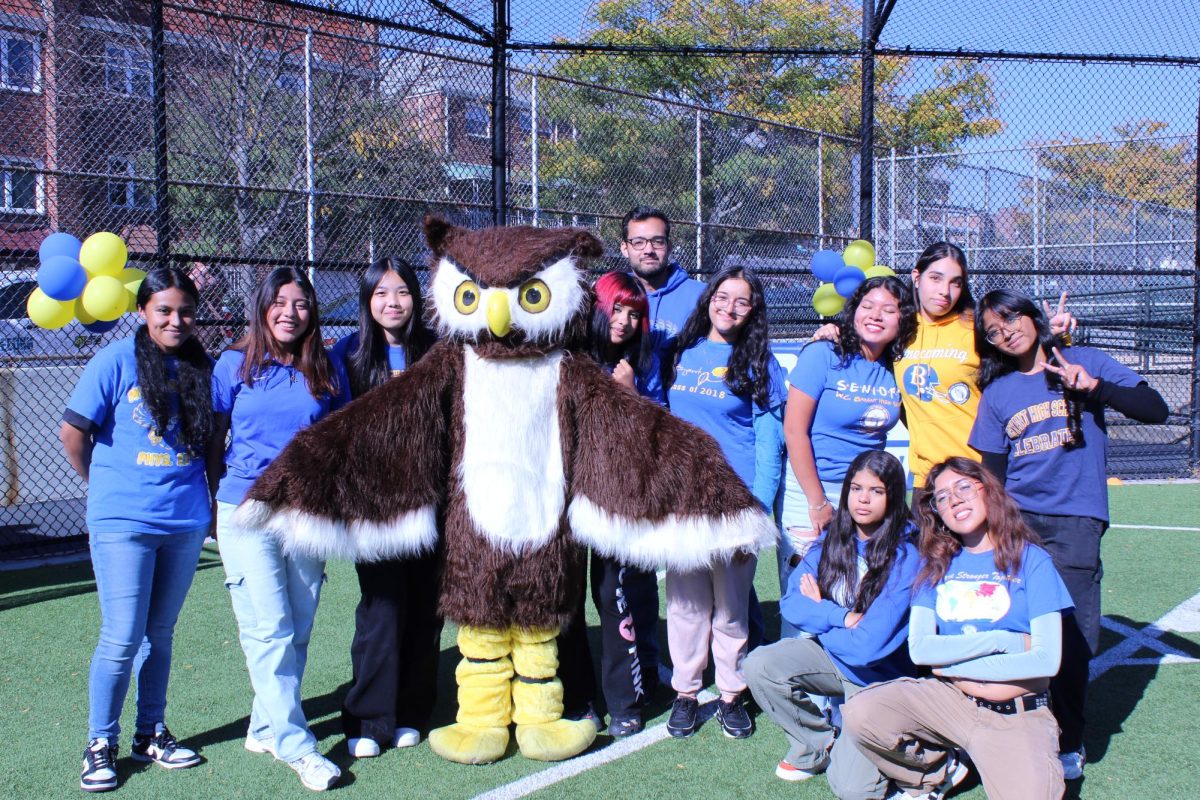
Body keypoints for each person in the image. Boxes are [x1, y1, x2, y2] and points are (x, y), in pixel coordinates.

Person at [969, 289, 1169, 780]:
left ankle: (1069, 738)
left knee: (1076, 635)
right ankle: (1010, 729)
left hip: (1077, 519)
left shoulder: (1081, 359)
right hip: (1019, 520)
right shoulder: (998, 393)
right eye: (992, 331)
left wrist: (1095, 387)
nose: (1005, 332)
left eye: (1010, 319)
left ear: (1032, 316)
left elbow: (1155, 410)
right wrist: (994, 529)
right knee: (1013, 628)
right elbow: (992, 472)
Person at [61, 267, 212, 793]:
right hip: (123, 522)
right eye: (164, 310)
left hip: (186, 520)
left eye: (184, 311)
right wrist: (107, 487)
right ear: (143, 311)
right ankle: (99, 742)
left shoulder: (199, 366)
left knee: (160, 633)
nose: (175, 320)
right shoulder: (114, 360)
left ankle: (151, 733)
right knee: (122, 635)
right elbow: (74, 433)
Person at [841, 457, 1074, 800]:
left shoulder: (1031, 560)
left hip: (1014, 715)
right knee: (862, 711)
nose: (955, 500)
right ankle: (939, 771)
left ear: (988, 490)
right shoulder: (935, 563)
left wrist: (952, 663)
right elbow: (921, 649)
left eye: (964, 487)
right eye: (943, 497)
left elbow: (1045, 660)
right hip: (951, 701)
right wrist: (1003, 641)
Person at [206, 267, 348, 792]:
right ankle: (297, 745)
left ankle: (264, 726)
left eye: (302, 304)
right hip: (248, 512)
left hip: (306, 512)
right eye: (281, 303)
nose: (291, 313)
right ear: (263, 307)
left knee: (300, 625)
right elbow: (213, 439)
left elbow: (339, 435)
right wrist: (216, 503)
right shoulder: (233, 365)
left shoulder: (326, 366)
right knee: (270, 629)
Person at [745, 451, 919, 798]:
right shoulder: (833, 538)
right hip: (838, 658)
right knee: (760, 664)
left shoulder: (906, 554)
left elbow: (870, 648)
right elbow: (792, 604)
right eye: (856, 488)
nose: (863, 499)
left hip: (880, 680)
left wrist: (821, 616)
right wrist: (840, 617)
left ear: (895, 496)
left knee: (853, 791)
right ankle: (817, 745)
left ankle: (928, 757)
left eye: (876, 491)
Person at [664, 265, 786, 740]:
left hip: (735, 502)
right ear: (709, 298)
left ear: (753, 309)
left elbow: (768, 440)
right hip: (682, 500)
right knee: (686, 604)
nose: (729, 307)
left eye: (741, 300)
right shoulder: (680, 352)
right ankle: (686, 692)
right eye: (723, 296)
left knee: (731, 607)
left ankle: (731, 694)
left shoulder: (760, 362)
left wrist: (757, 505)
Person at [328, 257, 442, 758]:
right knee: (381, 610)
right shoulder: (347, 354)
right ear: (367, 301)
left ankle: (413, 711)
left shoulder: (439, 352)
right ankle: (369, 718)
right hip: (375, 508)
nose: (392, 303)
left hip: (432, 504)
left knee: (425, 610)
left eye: (401, 292)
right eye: (381, 293)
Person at [779, 276, 915, 634]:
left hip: (865, 493)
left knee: (855, 591)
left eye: (889, 309)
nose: (875, 315)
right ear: (853, 311)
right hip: (809, 486)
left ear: (903, 319)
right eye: (867, 306)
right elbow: (794, 431)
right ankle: (793, 683)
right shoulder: (824, 354)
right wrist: (817, 501)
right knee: (807, 592)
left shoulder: (897, 368)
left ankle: (844, 682)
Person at [572, 271, 668, 738]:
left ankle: (625, 701)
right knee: (566, 602)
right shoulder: (570, 356)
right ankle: (579, 698)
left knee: (616, 597)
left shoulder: (642, 364)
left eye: (635, 313)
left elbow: (659, 432)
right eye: (618, 308)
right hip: (567, 498)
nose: (625, 321)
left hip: (620, 499)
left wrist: (629, 395)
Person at [619, 205, 706, 364]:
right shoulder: (611, 294)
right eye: (638, 242)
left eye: (658, 241)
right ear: (625, 248)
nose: (649, 250)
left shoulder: (702, 296)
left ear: (669, 246)